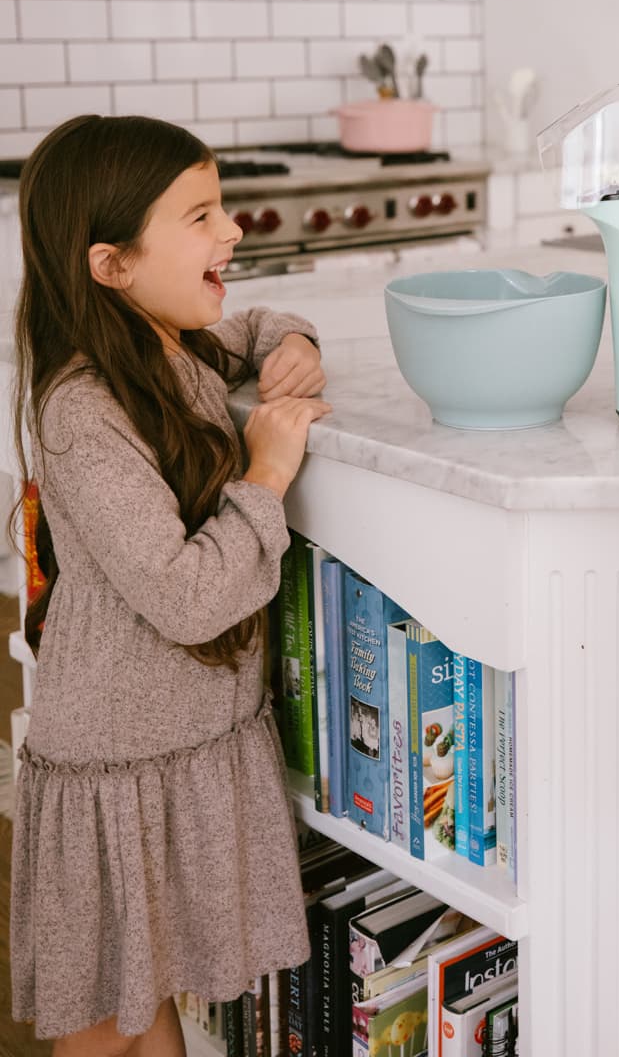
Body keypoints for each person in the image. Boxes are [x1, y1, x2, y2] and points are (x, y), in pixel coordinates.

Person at [8, 114, 332, 1051]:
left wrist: (292, 344)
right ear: (111, 264)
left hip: (184, 742)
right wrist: (265, 474)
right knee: (108, 1021)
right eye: (201, 216)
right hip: (118, 754)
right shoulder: (81, 409)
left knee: (158, 1007)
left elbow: (262, 322)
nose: (231, 232)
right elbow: (188, 594)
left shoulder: (168, 345)